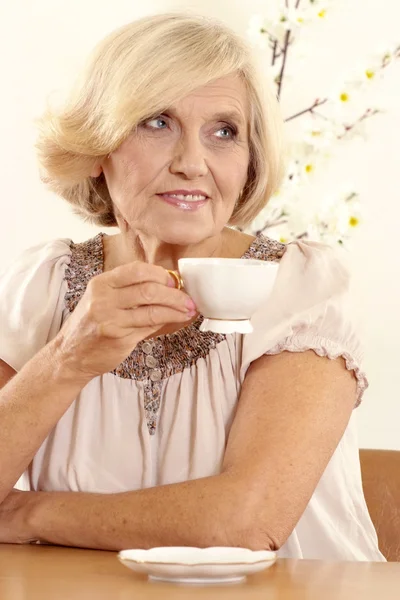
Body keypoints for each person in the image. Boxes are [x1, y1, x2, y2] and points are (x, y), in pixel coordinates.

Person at [0, 12, 384, 561]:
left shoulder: (300, 287)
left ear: (249, 161)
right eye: (157, 123)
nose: (191, 163)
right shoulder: (41, 285)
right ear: (96, 147)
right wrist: (67, 358)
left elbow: (246, 522)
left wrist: (27, 512)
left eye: (224, 132)